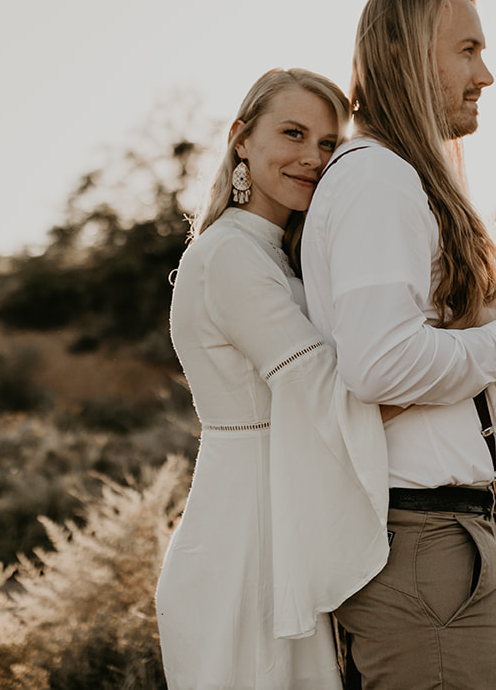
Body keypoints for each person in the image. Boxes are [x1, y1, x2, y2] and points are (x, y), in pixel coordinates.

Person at [302, 0, 496, 690]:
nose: (486, 74)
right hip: (422, 543)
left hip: (437, 542)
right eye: (467, 50)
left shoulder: (395, 177)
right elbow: (382, 364)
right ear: (401, 54)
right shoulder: (378, 179)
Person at [155, 68, 391, 690]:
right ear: (241, 139)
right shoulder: (229, 253)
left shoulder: (273, 255)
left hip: (278, 517)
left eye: (328, 144)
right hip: (243, 538)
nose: (312, 158)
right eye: (293, 133)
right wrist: (486, 346)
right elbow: (329, 388)